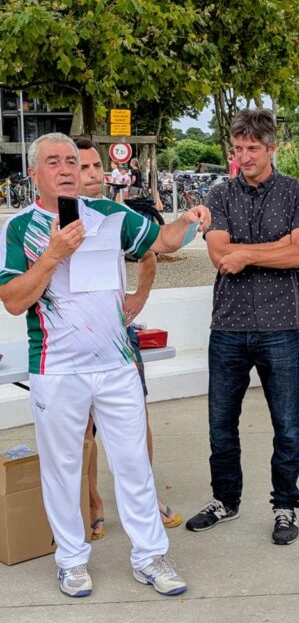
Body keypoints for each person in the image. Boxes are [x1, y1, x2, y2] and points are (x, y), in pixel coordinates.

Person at [0, 133, 210, 598]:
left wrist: (189, 220)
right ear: (34, 173)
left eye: (71, 161)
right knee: (62, 468)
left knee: (134, 463)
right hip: (56, 368)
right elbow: (13, 301)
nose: (66, 169)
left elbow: (163, 240)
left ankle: (149, 556)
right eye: (53, 162)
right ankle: (71, 561)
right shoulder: (19, 229)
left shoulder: (109, 215)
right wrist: (53, 254)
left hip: (116, 365)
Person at [186, 107, 299, 544]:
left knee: (288, 425)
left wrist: (246, 253)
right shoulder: (220, 194)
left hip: (280, 325)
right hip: (228, 325)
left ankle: (285, 506)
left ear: (271, 148)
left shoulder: (298, 192)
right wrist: (274, 247)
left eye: (252, 149)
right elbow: (220, 256)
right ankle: (225, 500)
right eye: (238, 148)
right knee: (221, 423)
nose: (243, 157)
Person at [76, 138, 183, 536]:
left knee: (137, 416)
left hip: (118, 338)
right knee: (83, 426)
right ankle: (92, 502)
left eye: (95, 166)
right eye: (82, 167)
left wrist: (139, 297)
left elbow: (152, 250)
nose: (92, 175)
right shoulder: (50, 221)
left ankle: (145, 498)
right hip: (71, 344)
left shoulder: (115, 215)